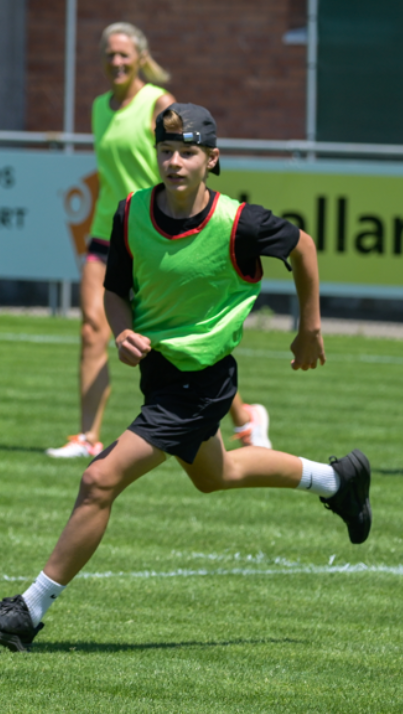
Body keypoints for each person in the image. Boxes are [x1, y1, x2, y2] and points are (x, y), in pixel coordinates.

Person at [0, 104, 372, 652]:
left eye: (189, 152)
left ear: (212, 160)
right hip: (160, 376)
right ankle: (337, 481)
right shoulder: (131, 212)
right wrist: (122, 332)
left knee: (98, 480)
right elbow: (114, 291)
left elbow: (304, 247)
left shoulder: (240, 222)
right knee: (214, 474)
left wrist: (310, 328)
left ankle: (28, 611)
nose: (175, 161)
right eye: (167, 151)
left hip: (199, 383)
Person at [48, 24, 270, 460]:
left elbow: (181, 165)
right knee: (94, 328)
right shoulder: (98, 107)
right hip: (107, 230)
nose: (116, 62)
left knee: (175, 339)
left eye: (124, 55)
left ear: (141, 58)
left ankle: (245, 416)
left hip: (154, 234)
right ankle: (86, 436)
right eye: (109, 54)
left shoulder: (159, 104)